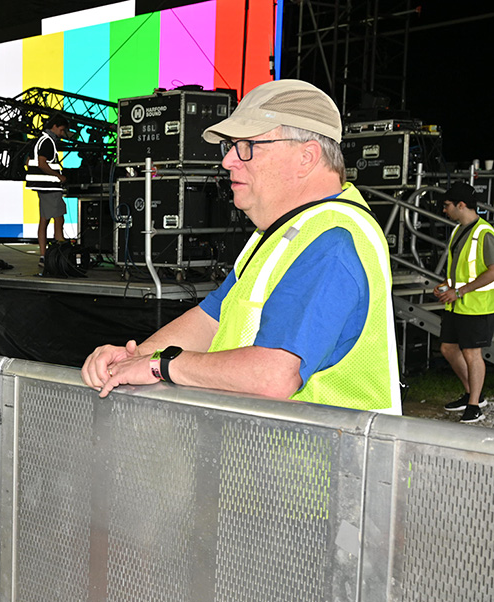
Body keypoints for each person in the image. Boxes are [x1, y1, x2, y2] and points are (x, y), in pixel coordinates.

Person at [82, 79, 401, 415]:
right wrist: (136, 357)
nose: (228, 161)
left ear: (306, 157)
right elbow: (211, 319)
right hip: (266, 458)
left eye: (248, 145)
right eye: (231, 146)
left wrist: (160, 366)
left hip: (319, 465)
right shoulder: (281, 233)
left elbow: (274, 375)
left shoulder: (332, 240)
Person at [434, 181, 494, 423]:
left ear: (461, 205)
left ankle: (474, 404)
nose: (444, 210)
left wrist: (460, 292)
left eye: (447, 205)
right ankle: (473, 395)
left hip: (477, 306)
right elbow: (460, 269)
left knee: (472, 352)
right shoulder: (458, 230)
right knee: (448, 349)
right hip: (456, 304)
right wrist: (447, 287)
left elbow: (492, 271)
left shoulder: (485, 233)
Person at [25, 116, 70, 261]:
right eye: (61, 130)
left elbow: (28, 161)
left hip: (41, 187)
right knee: (59, 217)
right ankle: (60, 250)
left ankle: (44, 255)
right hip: (50, 186)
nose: (62, 134)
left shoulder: (38, 141)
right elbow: (42, 163)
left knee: (44, 220)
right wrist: (59, 176)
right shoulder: (48, 142)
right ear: (55, 126)